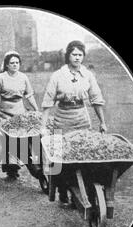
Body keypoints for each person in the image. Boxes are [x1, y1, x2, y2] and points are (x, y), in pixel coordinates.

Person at [41, 40, 107, 204]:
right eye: (74, 54)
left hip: (82, 119)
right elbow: (48, 102)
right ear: (68, 56)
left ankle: (84, 191)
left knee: (83, 155)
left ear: (83, 56)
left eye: (80, 55)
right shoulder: (58, 75)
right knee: (61, 157)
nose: (77, 58)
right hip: (63, 118)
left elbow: (96, 99)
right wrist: (43, 126)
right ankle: (63, 190)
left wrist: (102, 122)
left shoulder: (88, 75)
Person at [0, 51, 39, 179]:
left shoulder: (23, 77)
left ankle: (23, 162)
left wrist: (36, 109)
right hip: (4, 113)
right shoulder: (0, 78)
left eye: (17, 63)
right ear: (6, 65)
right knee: (6, 141)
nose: (15, 65)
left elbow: (29, 95)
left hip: (19, 111)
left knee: (22, 139)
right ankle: (11, 169)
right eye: (12, 63)